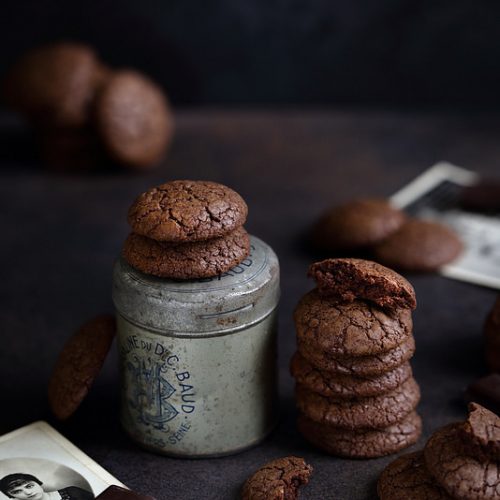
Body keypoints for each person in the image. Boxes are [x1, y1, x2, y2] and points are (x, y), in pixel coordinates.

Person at [0, 473, 93, 500]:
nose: (28, 493)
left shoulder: (72, 492)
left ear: (38, 483)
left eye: (29, 486)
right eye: (16, 492)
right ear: (11, 496)